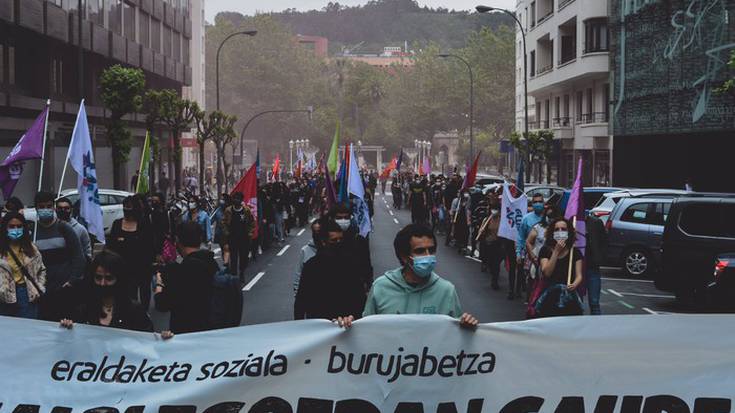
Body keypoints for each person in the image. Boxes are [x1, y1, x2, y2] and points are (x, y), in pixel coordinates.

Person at [336, 224, 478, 329]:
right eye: (420, 251)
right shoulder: (381, 287)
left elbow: (456, 336)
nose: (428, 256)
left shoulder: (446, 290)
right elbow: (365, 330)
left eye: (432, 250)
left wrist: (467, 326)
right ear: (404, 257)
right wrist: (348, 325)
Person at [59, 250, 172, 337]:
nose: (102, 283)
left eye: (109, 278)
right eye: (98, 278)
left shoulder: (134, 310)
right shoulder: (83, 309)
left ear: (119, 279)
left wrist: (163, 341)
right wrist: (67, 329)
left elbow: (148, 342)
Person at [294, 219, 367, 320]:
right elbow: (301, 300)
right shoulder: (312, 266)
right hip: (319, 324)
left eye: (340, 239)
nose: (338, 243)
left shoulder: (350, 263)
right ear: (324, 242)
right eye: (334, 240)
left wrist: (354, 316)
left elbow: (359, 296)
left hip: (346, 323)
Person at [154, 222, 219, 334]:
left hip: (187, 333)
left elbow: (162, 304)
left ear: (178, 241)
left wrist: (159, 284)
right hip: (213, 330)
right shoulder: (212, 264)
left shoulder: (180, 270)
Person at [33, 191, 85, 320]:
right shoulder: (32, 231)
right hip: (41, 290)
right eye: (41, 207)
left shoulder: (64, 228)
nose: (45, 210)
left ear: (53, 207)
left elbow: (78, 256)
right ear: (36, 208)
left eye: (48, 206)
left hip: (63, 289)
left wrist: (71, 281)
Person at [108, 196, 155, 310]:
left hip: (142, 267)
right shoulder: (117, 224)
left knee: (144, 291)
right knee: (128, 294)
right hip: (124, 267)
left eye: (129, 207)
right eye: (124, 207)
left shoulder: (144, 224)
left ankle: (144, 313)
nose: (126, 209)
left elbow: (150, 246)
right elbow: (111, 245)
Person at [0, 212, 46, 319]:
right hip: (4, 295)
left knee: (27, 329)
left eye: (19, 226)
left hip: (27, 293)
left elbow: (41, 270)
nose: (15, 229)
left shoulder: (31, 248)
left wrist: (39, 287)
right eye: (12, 226)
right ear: (5, 228)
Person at [536, 217, 584, 317]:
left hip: (568, 297)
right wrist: (556, 252)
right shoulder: (545, 250)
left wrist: (574, 284)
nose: (560, 232)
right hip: (549, 296)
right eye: (557, 229)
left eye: (563, 229)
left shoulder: (574, 252)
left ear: (569, 232)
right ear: (552, 233)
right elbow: (547, 272)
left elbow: (579, 275)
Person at [331, 203, 373, 291]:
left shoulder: (359, 240)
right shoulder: (326, 240)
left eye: (346, 218)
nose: (343, 220)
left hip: (355, 289)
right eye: (339, 218)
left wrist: (368, 284)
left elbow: (367, 265)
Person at [512, 193, 546, 299]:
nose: (538, 204)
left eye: (540, 201)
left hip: (546, 255)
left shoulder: (548, 218)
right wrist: (518, 253)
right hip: (530, 255)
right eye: (535, 202)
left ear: (543, 203)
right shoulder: (526, 219)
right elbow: (521, 238)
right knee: (531, 278)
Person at [222, 192, 255, 280]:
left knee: (244, 256)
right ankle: (234, 275)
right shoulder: (228, 210)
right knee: (233, 256)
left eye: (238, 199)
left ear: (241, 200)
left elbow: (252, 222)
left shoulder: (246, 210)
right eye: (234, 198)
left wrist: (250, 232)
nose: (236, 200)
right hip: (232, 237)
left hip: (244, 237)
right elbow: (224, 222)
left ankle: (242, 271)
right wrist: (226, 232)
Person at [477, 194, 502, 290]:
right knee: (491, 263)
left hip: (498, 244)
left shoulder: (502, 220)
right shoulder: (487, 219)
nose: (494, 211)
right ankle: (492, 273)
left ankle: (495, 280)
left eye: (496, 209)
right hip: (489, 244)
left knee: (496, 263)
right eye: (493, 209)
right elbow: (482, 232)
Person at [55, 197, 92, 262]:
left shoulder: (81, 229)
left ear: (71, 210)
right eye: (60, 208)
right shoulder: (51, 227)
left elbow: (87, 250)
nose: (63, 210)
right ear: (55, 209)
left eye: (66, 208)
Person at [585, 214, 608, 315]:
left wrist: (599, 257)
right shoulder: (571, 221)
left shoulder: (596, 222)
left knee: (594, 303)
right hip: (575, 268)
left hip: (592, 266)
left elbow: (604, 241)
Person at [293, 219, 322, 295]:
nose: (317, 235)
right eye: (314, 232)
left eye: (319, 231)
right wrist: (297, 293)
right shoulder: (305, 251)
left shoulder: (331, 249)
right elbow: (298, 274)